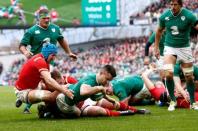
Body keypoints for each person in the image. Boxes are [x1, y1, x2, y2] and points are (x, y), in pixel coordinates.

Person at [19, 8, 77, 113]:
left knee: (49, 85)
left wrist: (69, 52)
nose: (47, 20)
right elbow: (22, 45)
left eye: (48, 18)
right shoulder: (31, 31)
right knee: (38, 85)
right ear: (38, 18)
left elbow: (61, 39)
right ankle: (25, 99)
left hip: (49, 64)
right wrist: (25, 52)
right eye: (44, 18)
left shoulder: (55, 28)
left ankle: (45, 107)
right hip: (36, 63)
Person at [154, 0, 198, 111]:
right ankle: (172, 101)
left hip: (184, 48)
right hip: (170, 47)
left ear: (181, 5)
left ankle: (193, 102)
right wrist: (156, 48)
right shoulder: (164, 16)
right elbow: (158, 31)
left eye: (175, 5)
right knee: (168, 74)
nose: (173, 7)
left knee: (189, 77)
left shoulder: (189, 15)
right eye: (171, 4)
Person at [15, 43, 74, 110]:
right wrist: (64, 90)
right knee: (50, 96)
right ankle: (21, 99)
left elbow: (47, 83)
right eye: (52, 55)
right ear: (47, 54)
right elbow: (49, 80)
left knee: (51, 89)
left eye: (55, 55)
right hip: (24, 91)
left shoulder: (45, 63)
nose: (54, 58)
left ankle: (49, 109)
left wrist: (60, 88)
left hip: (35, 87)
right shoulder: (40, 61)